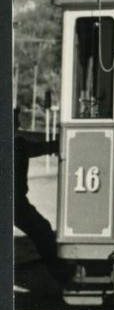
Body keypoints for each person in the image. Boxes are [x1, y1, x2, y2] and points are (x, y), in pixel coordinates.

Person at [14, 107, 70, 286]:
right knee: (42, 231)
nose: (18, 124)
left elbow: (39, 147)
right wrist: (63, 142)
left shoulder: (18, 143)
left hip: (16, 202)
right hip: (15, 203)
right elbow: (41, 147)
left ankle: (63, 274)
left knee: (42, 230)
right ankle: (63, 275)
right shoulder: (18, 144)